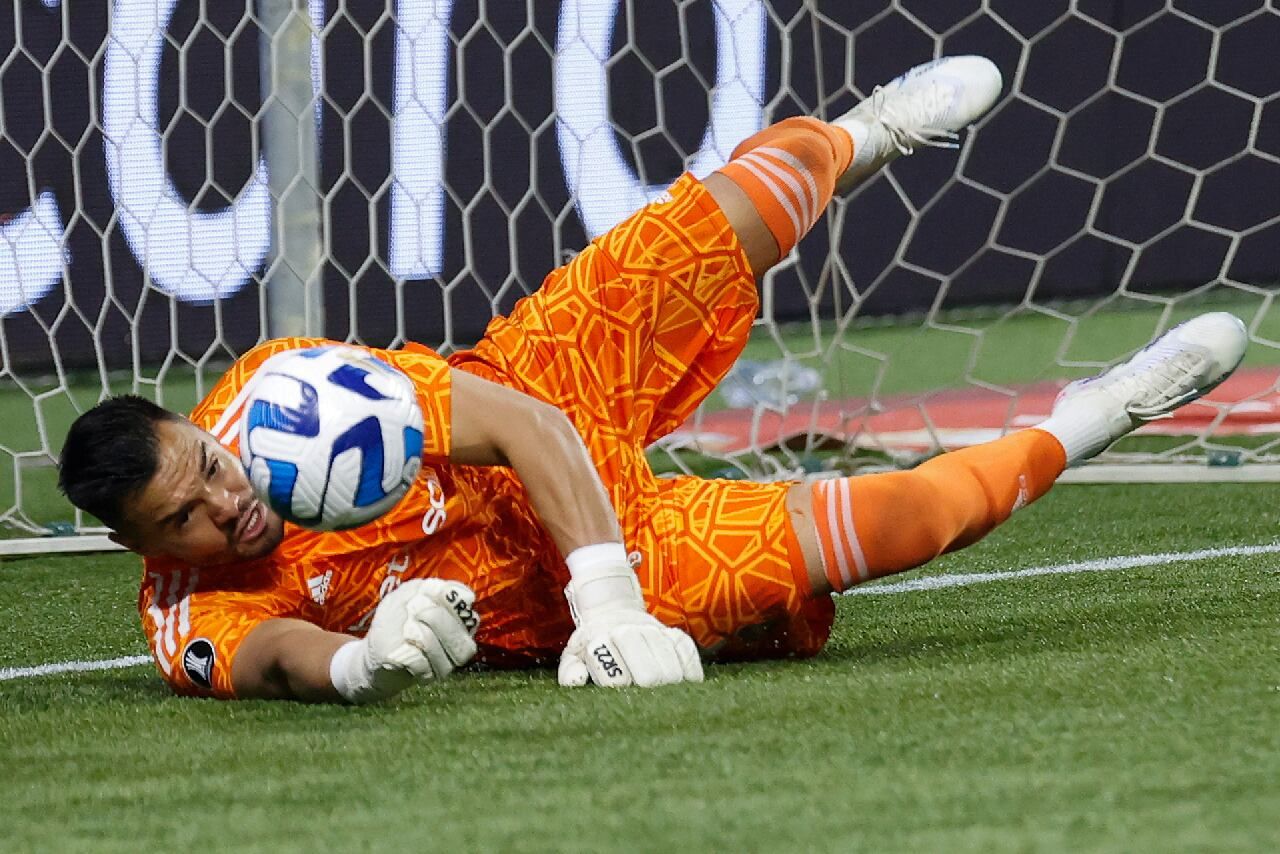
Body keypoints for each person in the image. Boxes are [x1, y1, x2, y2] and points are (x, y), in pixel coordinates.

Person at [57, 56, 1248, 703]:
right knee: (904, 519)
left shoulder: (281, 384)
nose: (226, 501)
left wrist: (610, 602)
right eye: (188, 518)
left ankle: (861, 135)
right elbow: (269, 659)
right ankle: (1114, 405)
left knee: (715, 219)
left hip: (536, 398)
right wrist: (362, 658)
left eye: (206, 466)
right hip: (530, 583)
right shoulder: (189, 616)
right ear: (143, 546)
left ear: (198, 424)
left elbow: (518, 421)